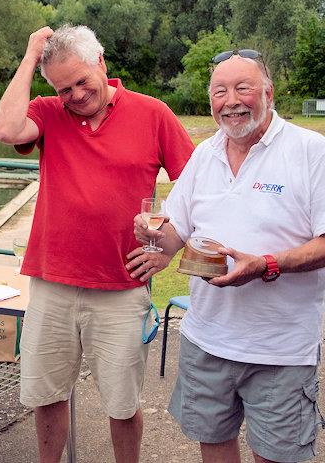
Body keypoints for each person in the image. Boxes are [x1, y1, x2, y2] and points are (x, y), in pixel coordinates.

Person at [0, 24, 194, 463]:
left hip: (121, 286)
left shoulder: (153, 113)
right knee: (46, 396)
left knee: (122, 405)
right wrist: (29, 56)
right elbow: (6, 129)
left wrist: (168, 247)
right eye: (64, 88)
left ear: (101, 62)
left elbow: (198, 183)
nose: (76, 96)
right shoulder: (47, 112)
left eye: (82, 81)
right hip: (52, 282)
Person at [127, 49, 325, 463]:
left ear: (268, 93)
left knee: (278, 456)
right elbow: (176, 232)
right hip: (207, 339)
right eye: (220, 91)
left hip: (279, 349)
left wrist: (267, 265)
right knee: (213, 446)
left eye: (242, 88)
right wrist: (153, 237)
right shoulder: (205, 154)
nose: (230, 100)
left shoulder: (311, 151)